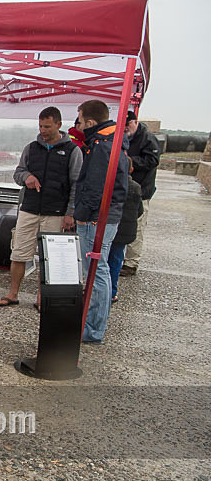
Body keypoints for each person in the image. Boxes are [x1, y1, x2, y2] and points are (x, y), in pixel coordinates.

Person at [0, 107, 83, 310]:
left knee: (48, 257)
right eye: (41, 126)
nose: (43, 130)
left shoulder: (72, 151)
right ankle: (13, 294)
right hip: (29, 209)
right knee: (18, 253)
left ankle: (42, 297)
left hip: (56, 212)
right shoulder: (31, 148)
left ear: (59, 125)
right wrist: (27, 178)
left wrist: (70, 213)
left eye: (47, 126)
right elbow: (18, 173)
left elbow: (77, 184)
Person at [73, 100, 129, 344]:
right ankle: (95, 325)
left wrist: (81, 215)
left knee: (96, 272)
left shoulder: (101, 144)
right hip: (107, 215)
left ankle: (92, 329)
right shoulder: (113, 140)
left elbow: (96, 186)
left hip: (96, 218)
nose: (79, 125)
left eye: (81, 121)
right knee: (100, 270)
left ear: (91, 122)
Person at [121, 110, 160, 276]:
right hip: (124, 189)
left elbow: (152, 161)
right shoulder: (125, 138)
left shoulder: (149, 139)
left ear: (134, 122)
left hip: (141, 191)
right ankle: (124, 259)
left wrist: (129, 160)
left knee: (137, 227)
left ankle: (131, 263)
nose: (125, 129)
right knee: (124, 227)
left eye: (127, 125)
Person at [108, 174, 143, 303]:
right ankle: (112, 292)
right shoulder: (136, 187)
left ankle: (102, 290)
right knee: (116, 261)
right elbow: (140, 210)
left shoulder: (113, 184)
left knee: (104, 260)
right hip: (125, 231)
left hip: (112, 225)